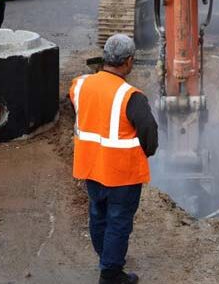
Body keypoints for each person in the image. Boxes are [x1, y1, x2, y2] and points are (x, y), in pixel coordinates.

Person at [69, 34, 158, 284]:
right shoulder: (132, 96)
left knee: (98, 214)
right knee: (119, 221)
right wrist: (149, 151)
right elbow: (149, 132)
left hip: (90, 166)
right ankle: (110, 274)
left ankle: (105, 257)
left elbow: (79, 107)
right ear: (128, 61)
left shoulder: (80, 85)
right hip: (122, 174)